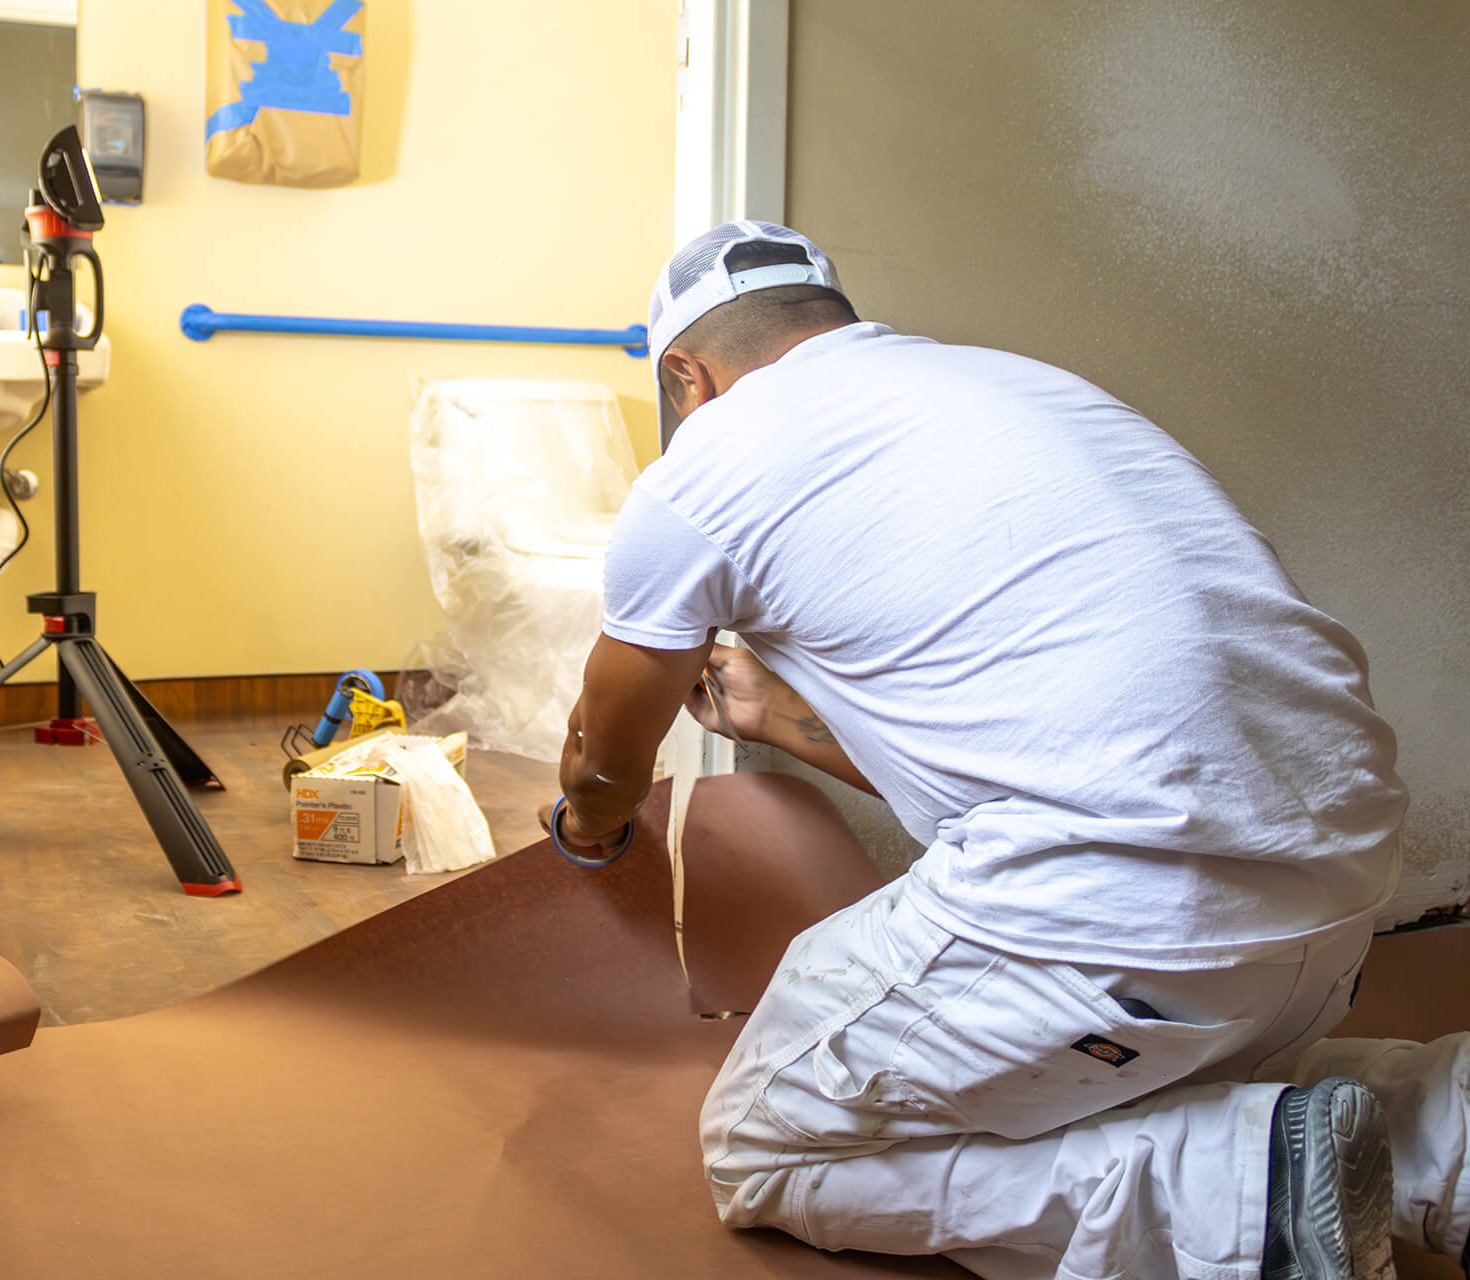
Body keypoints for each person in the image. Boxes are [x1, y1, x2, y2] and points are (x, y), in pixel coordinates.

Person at [545, 220, 1467, 1280]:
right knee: (1124, 1080)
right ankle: (1449, 1137)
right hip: (1332, 888)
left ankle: (1243, 1195)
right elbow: (1013, 766)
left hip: (1122, 926)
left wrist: (586, 829)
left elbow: (609, 753)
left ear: (686, 375)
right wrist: (775, 718)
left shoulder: (702, 465)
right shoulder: (1018, 388)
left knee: (768, 1142)